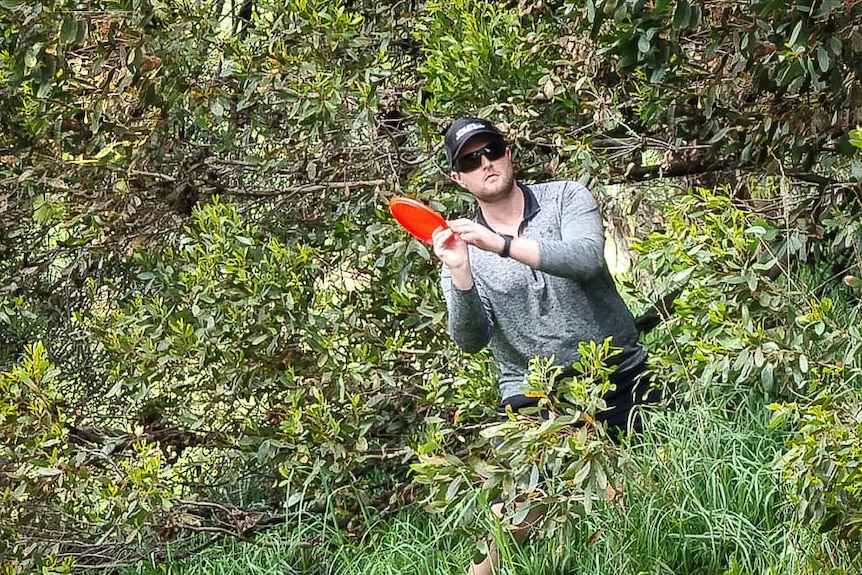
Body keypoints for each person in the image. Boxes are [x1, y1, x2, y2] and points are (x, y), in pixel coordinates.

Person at [431, 117, 660, 575]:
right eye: (471, 160)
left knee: (644, 495)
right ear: (459, 178)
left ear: (508, 153)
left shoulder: (566, 197)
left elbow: (585, 258)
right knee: (522, 513)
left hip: (617, 370)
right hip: (534, 390)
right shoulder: (460, 245)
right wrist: (460, 271)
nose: (486, 163)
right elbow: (472, 339)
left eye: (491, 150)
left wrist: (499, 244)